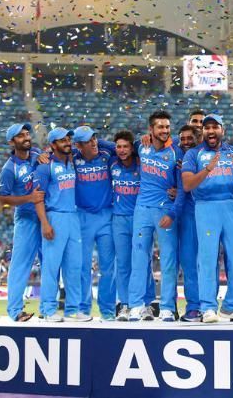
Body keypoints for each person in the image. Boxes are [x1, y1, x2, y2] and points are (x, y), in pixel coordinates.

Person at [182, 114, 233, 323]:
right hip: (206, 207)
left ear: (222, 129)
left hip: (232, 206)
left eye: (215, 127)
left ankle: (231, 306)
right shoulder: (193, 154)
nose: (211, 131)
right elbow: (187, 185)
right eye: (207, 128)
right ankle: (208, 307)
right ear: (202, 131)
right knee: (207, 258)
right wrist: (208, 169)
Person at [129, 111, 186, 321]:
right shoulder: (140, 146)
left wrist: (173, 212)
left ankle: (167, 308)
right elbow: (116, 145)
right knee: (139, 257)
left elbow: (182, 188)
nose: (165, 130)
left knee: (169, 260)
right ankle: (137, 305)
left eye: (167, 127)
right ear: (151, 130)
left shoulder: (176, 153)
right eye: (160, 127)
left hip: (165, 211)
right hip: (142, 209)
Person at [33, 127, 90, 322]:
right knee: (51, 267)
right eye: (62, 140)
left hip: (73, 217)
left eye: (68, 139)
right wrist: (45, 223)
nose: (67, 142)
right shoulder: (44, 166)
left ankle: (72, 309)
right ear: (52, 145)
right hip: (54, 217)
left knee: (74, 266)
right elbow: (38, 198)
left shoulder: (72, 160)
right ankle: (48, 309)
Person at [0, 123, 44, 322]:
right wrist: (29, 198)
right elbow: (3, 198)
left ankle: (48, 309)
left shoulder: (36, 154)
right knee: (20, 265)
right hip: (26, 217)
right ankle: (15, 311)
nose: (26, 137)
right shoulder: (9, 169)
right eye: (20, 136)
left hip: (47, 215)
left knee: (50, 263)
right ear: (12, 142)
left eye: (27, 133)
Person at [71, 125, 117, 321]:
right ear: (78, 145)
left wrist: (99, 141)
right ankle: (83, 309)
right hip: (82, 217)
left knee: (108, 267)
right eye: (88, 141)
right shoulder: (72, 157)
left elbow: (127, 147)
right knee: (82, 266)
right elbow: (52, 154)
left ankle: (108, 311)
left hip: (107, 216)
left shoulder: (106, 153)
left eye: (94, 138)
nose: (94, 142)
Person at [110, 131, 156, 321]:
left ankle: (146, 304)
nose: (121, 150)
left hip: (140, 216)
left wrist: (141, 141)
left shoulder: (142, 164)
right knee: (122, 263)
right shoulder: (111, 163)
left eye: (126, 146)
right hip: (119, 219)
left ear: (133, 148)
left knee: (143, 261)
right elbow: (102, 146)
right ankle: (125, 304)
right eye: (118, 147)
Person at [175, 124, 202, 322]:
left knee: (199, 263)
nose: (185, 142)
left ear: (197, 137)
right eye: (182, 139)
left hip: (199, 213)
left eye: (189, 138)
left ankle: (202, 306)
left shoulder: (203, 155)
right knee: (185, 263)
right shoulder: (175, 154)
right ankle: (189, 307)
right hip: (180, 213)